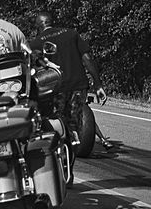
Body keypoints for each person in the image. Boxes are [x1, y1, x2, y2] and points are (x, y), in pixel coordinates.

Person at [33, 11, 107, 183]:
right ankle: (69, 171)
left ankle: (57, 166)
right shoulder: (71, 34)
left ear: (38, 27)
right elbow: (87, 58)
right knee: (73, 129)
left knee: (54, 127)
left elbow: (34, 68)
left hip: (54, 89)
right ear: (52, 21)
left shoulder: (36, 42)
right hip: (78, 86)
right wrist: (98, 84)